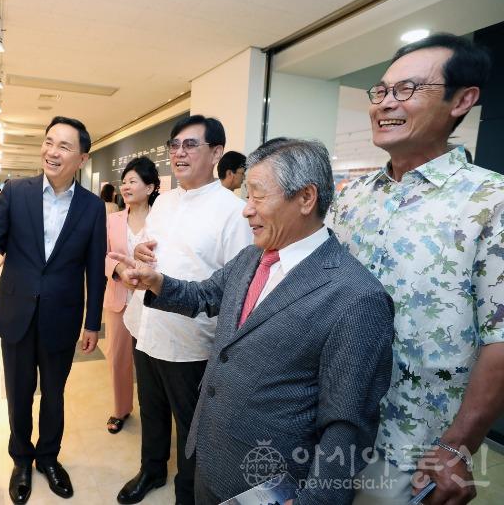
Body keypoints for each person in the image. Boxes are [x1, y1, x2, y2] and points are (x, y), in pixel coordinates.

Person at [112, 138, 395, 505]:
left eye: (258, 197)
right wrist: (157, 282)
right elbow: (205, 296)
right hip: (210, 457)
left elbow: (347, 426)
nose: (246, 211)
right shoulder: (252, 258)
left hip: (268, 482)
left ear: (306, 198)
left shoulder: (356, 297)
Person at [327, 33, 504, 505]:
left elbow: (501, 336)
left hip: (416, 444)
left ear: (462, 100)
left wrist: (457, 444)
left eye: (407, 90)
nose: (386, 103)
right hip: (332, 422)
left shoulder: (491, 201)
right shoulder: (352, 198)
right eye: (381, 91)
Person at [115, 115, 253, 505]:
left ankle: (187, 493)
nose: (179, 153)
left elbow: (234, 288)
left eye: (190, 145)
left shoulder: (232, 212)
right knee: (151, 409)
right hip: (147, 327)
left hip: (192, 342)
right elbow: (144, 250)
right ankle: (151, 470)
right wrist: (135, 260)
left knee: (192, 427)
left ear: (216, 152)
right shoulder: (164, 202)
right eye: (174, 145)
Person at [0, 116, 107, 505]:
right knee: (19, 393)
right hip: (16, 311)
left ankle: (48, 458)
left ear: (82, 157)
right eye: (49, 142)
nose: (52, 151)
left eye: (64, 146)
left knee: (54, 394)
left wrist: (93, 322)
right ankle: (21, 459)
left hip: (62, 317)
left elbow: (94, 268)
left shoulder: (92, 207)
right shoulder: (16, 191)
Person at [103, 157, 160, 434]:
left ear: (149, 188)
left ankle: (156, 415)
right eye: (124, 181)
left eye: (132, 181)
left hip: (154, 300)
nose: (125, 186)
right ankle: (121, 408)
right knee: (118, 357)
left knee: (152, 362)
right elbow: (100, 256)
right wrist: (118, 270)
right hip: (119, 298)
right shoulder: (112, 220)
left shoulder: (161, 220)